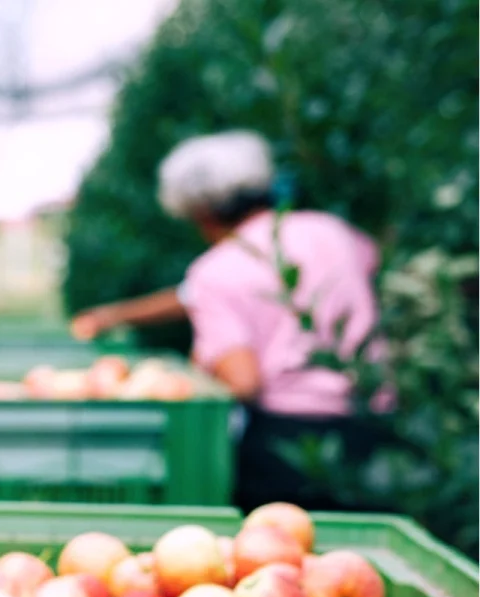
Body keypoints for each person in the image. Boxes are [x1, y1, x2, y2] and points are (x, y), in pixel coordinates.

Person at [72, 130, 389, 513]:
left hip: (288, 445)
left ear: (201, 213)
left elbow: (243, 380)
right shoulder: (331, 232)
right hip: (376, 425)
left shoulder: (217, 271)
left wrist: (200, 366)